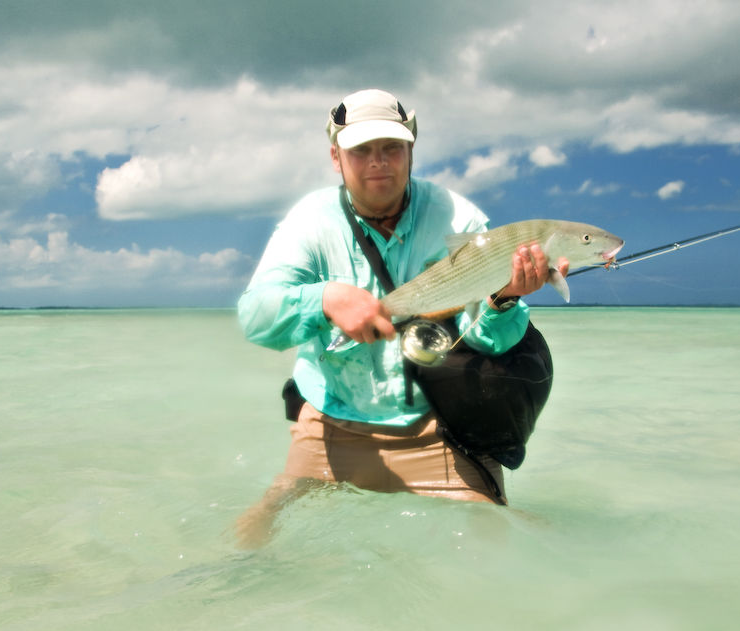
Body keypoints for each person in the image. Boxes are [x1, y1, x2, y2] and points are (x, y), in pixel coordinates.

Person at [234, 88, 567, 545]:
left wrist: (506, 299)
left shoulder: (459, 218)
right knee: (257, 530)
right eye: (361, 150)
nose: (378, 161)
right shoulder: (310, 220)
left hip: (439, 429)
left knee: (508, 540)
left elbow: (492, 344)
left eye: (391, 147)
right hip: (331, 424)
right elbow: (255, 316)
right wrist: (324, 298)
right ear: (336, 157)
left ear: (411, 150)